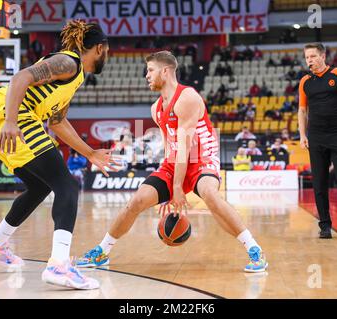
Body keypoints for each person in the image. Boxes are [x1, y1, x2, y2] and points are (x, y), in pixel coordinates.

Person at [77, 51, 267, 272]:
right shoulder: (156, 108)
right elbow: (171, 147)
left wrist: (177, 187)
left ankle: (254, 250)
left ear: (165, 71)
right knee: (136, 201)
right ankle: (102, 251)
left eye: (150, 70)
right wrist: (167, 189)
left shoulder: (187, 97)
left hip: (201, 157)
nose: (146, 75)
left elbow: (186, 147)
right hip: (174, 161)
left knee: (210, 195)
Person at [0, 21, 117, 289]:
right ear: (99, 48)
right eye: (106, 51)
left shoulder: (74, 78)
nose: (106, 56)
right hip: (9, 115)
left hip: (0, 118)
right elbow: (20, 78)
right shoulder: (69, 62)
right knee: (67, 186)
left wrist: (90, 153)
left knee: (40, 187)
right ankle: (59, 265)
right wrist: (12, 120)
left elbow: (57, 122)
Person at [298, 43, 337, 240]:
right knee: (319, 183)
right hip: (315, 137)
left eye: (312, 56)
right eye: (307, 57)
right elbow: (302, 110)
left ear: (323, 56)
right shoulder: (305, 81)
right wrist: (302, 135)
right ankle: (325, 226)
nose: (309, 60)